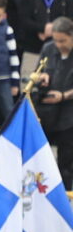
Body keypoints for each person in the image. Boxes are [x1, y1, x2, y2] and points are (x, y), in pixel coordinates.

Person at [34, 16, 73, 190]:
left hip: (69, 116)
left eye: (63, 41)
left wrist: (64, 95)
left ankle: (66, 195)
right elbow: (36, 73)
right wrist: (40, 78)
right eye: (56, 40)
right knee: (41, 158)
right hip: (48, 112)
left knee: (66, 162)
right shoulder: (48, 49)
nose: (59, 44)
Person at [22, 0, 73, 75]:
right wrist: (42, 28)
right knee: (29, 86)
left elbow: (70, 20)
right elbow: (24, 21)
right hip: (32, 49)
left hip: (59, 52)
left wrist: (53, 29)